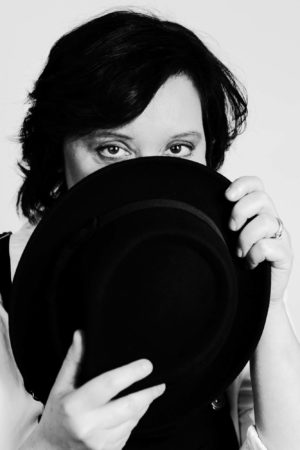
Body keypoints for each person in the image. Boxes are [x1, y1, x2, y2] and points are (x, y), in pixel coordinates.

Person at [0, 9, 299, 450]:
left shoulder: (219, 265)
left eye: (178, 148)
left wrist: (268, 306)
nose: (146, 177)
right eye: (112, 148)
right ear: (57, 152)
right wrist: (51, 445)